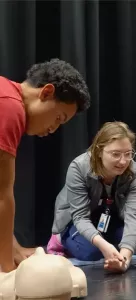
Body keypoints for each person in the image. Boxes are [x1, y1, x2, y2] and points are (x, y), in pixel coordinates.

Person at [0, 58, 90, 272]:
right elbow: (2, 196)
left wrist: (13, 249)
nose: (53, 128)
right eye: (58, 118)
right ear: (46, 92)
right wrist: (7, 271)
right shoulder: (9, 107)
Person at [47, 121, 136, 274]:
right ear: (99, 151)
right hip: (76, 220)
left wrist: (124, 261)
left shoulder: (135, 174)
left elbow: (134, 219)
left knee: (127, 242)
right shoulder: (78, 168)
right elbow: (80, 217)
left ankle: (104, 243)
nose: (123, 161)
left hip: (108, 219)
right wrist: (104, 246)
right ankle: (60, 239)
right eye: (115, 154)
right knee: (91, 252)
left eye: (128, 154)